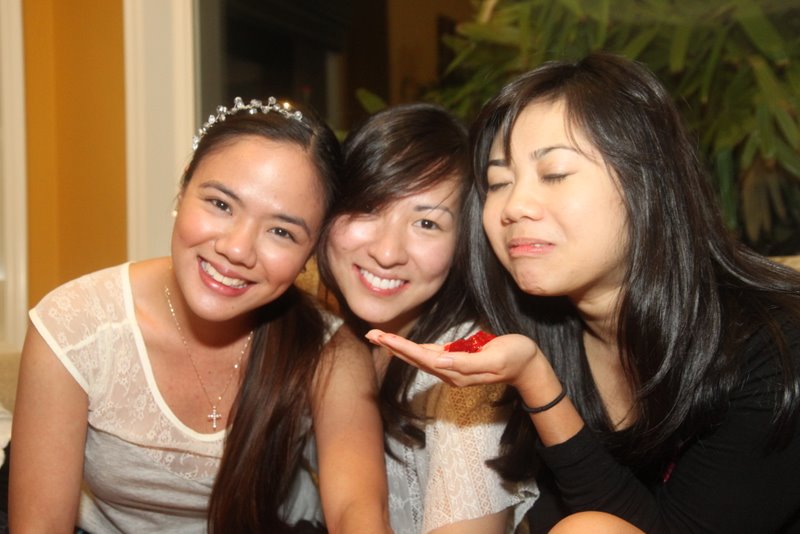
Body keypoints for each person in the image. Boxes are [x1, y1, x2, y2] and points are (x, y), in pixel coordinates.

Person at [366, 53, 800, 533]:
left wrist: (540, 387)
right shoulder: (536, 331)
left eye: (554, 174)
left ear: (647, 181)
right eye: (498, 182)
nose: (514, 206)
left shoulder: (774, 345)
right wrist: (533, 374)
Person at [10, 97, 390, 533]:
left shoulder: (330, 351)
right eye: (221, 204)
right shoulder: (75, 327)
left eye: (281, 231)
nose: (237, 249)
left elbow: (358, 510)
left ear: (310, 253)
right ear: (183, 187)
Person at [316, 102, 538, 534]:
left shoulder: (466, 373)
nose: (387, 252)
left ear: (464, 244)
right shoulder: (325, 330)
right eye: (369, 207)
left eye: (427, 224)